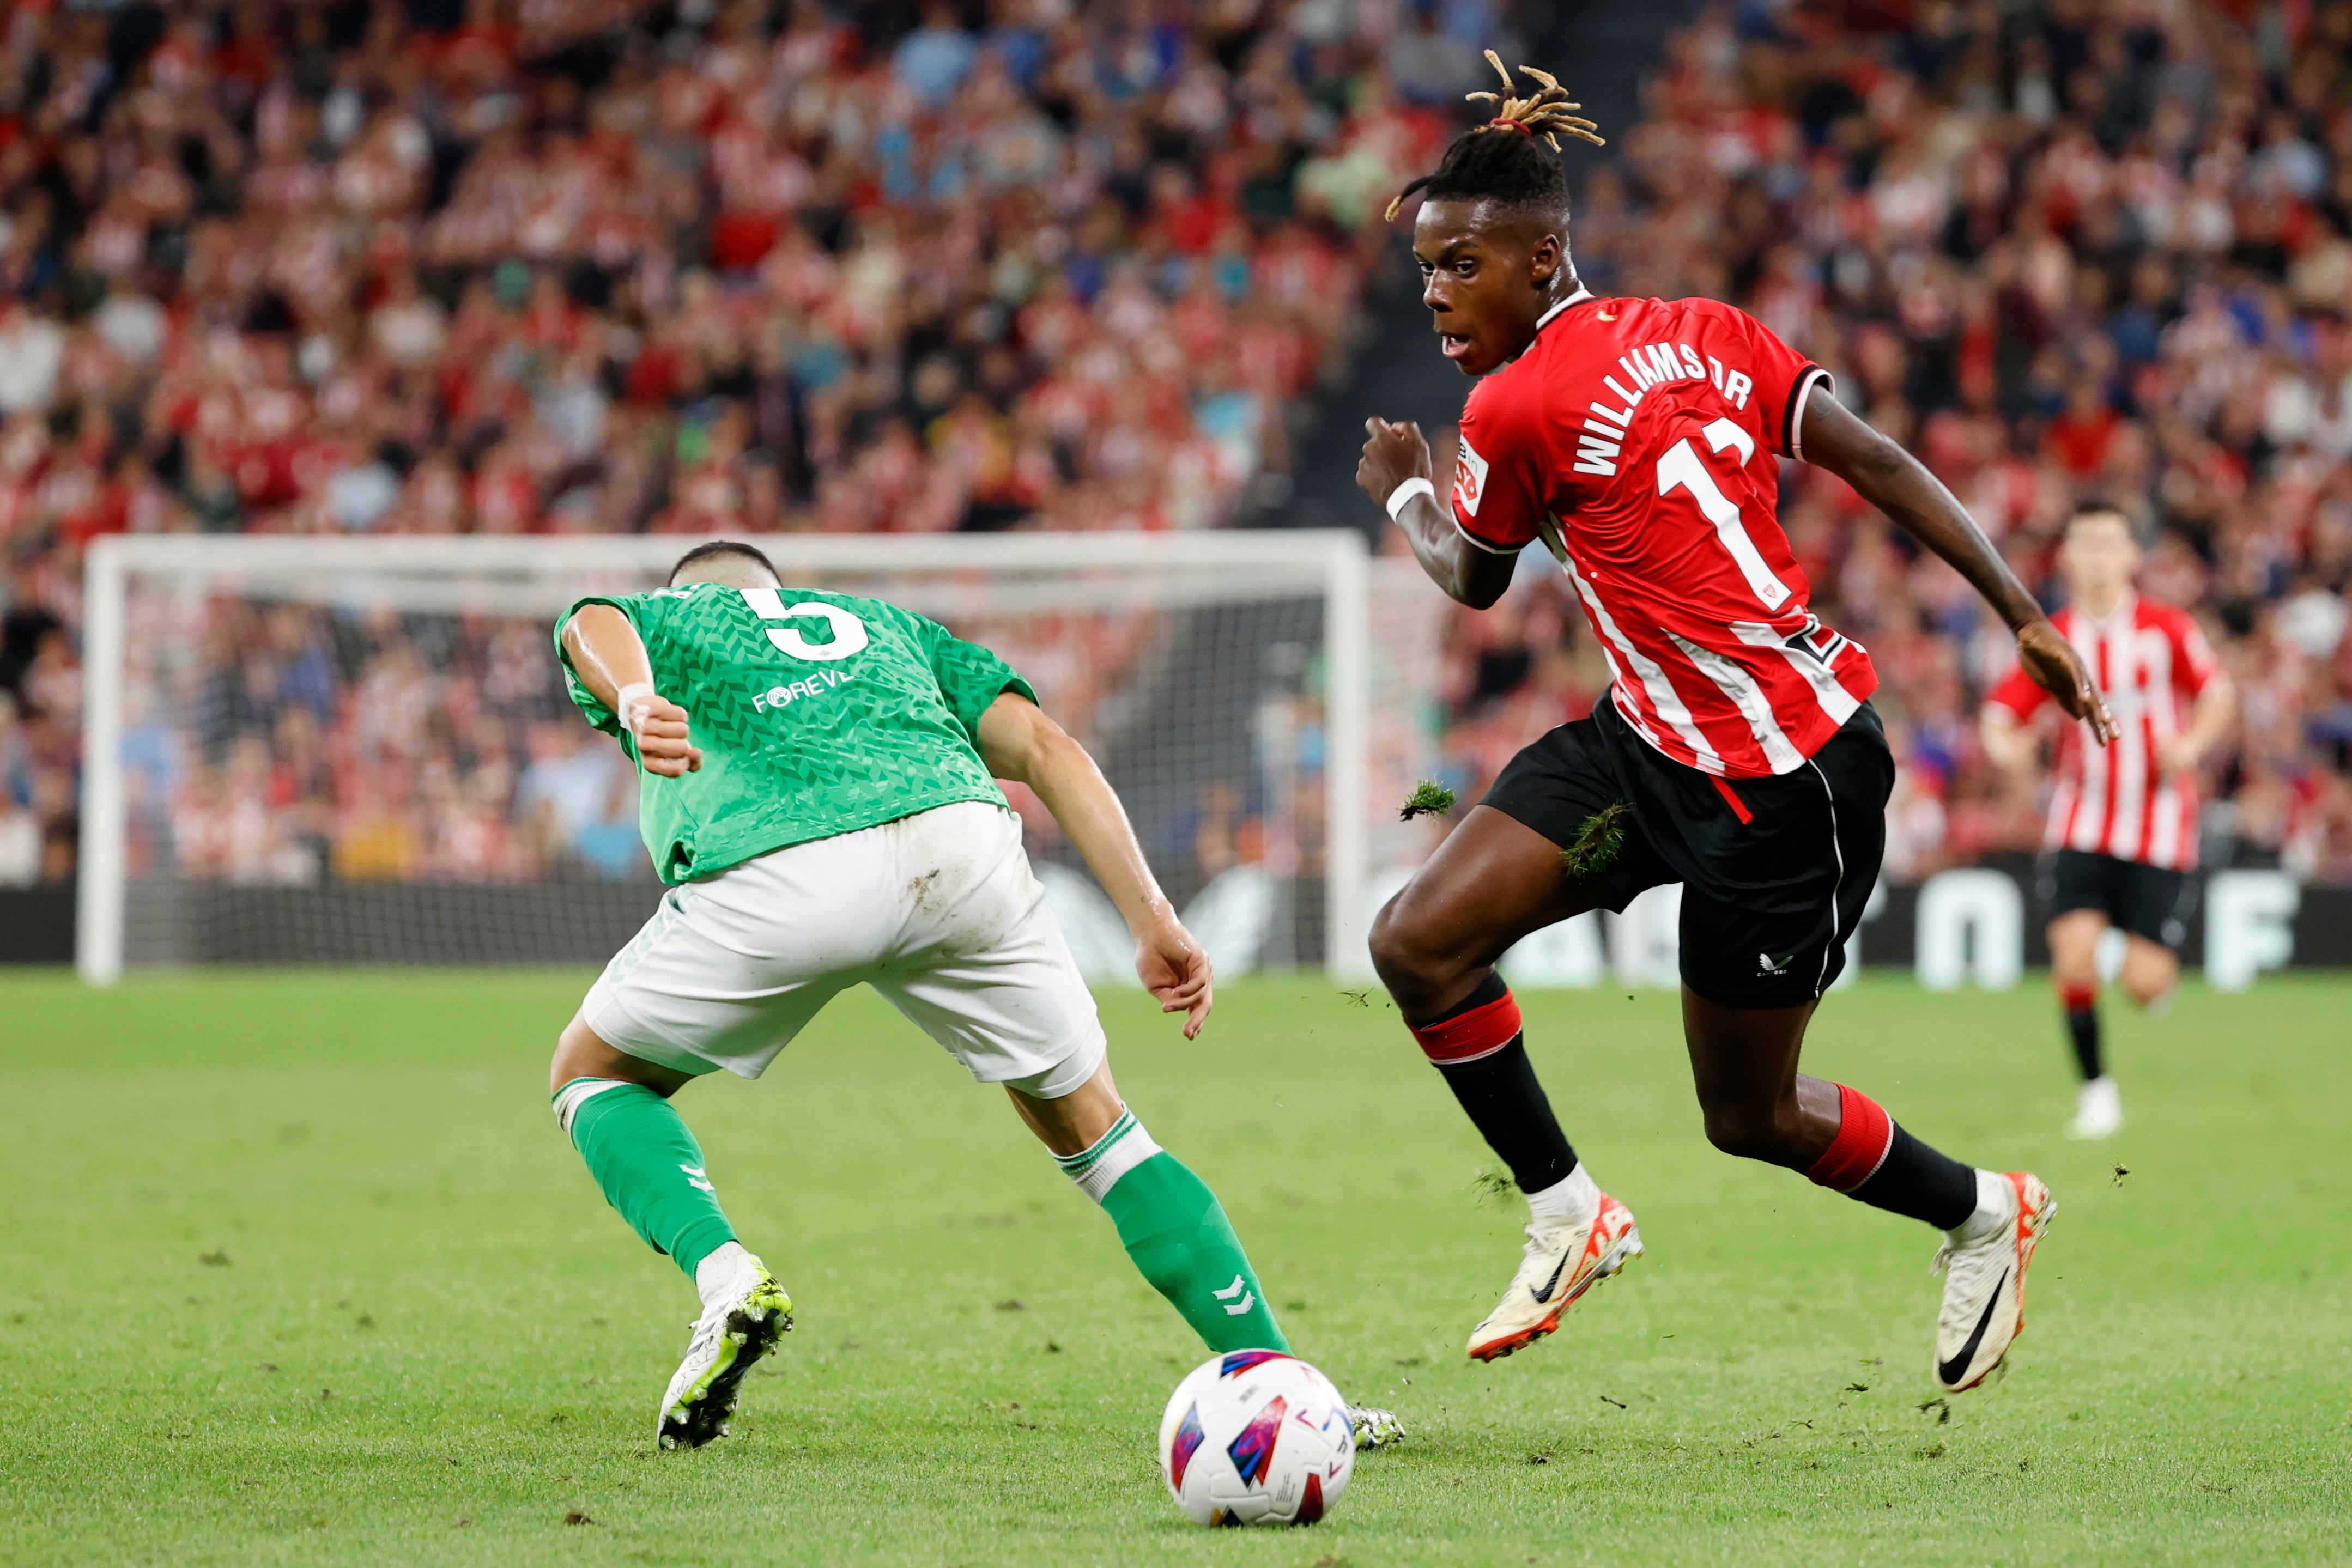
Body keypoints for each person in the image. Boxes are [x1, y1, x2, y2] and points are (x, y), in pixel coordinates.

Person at [1352, 58, 2114, 1394]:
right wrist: (2022, 614)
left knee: (1746, 1115)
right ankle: (1564, 1210)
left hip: (1785, 779)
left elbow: (1472, 579)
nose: (1435, 294)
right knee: (1416, 943)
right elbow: (1872, 457)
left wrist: (1410, 493)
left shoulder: (1513, 405)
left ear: (1541, 258)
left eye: (1459, 265)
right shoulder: (1707, 327)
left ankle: (1983, 1211)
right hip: (1645, 745)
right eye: (1424, 270)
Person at [548, 539, 1397, 1449]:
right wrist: (1152, 916)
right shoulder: (888, 627)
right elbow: (1045, 746)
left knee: (591, 1074)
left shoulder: (682, 614)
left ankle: (726, 1279)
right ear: (781, 588)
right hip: (960, 846)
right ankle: (1296, 1394)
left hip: (781, 869)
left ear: (694, 591)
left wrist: (635, 699)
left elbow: (587, 620)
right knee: (1105, 1133)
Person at [1981, 502, 2234, 1140]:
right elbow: (1998, 713)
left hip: (2157, 822)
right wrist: (2006, 747)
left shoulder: (2166, 629)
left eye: (2109, 543)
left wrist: (2191, 746)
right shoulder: (2052, 637)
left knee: (2144, 984)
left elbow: (2217, 694)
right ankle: (2097, 1094)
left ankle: (2139, 964)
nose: (2096, 554)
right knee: (2070, 954)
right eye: (2084, 542)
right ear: (2065, 556)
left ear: (2131, 556)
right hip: (2081, 820)